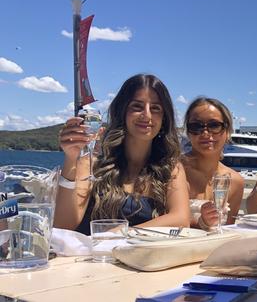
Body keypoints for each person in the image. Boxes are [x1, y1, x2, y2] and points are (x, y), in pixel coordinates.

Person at [54, 74, 190, 235]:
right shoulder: (92, 164)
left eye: (155, 108)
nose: (146, 115)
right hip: (92, 258)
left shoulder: (170, 169)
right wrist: (71, 159)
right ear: (123, 111)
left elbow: (181, 220)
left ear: (164, 119)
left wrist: (123, 233)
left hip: (140, 259)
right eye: (137, 107)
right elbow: (63, 226)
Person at [181, 97, 244, 230]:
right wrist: (201, 223)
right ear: (188, 132)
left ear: (227, 132)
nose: (205, 133)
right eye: (196, 126)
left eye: (214, 125)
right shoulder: (175, 171)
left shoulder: (236, 182)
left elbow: (228, 231)